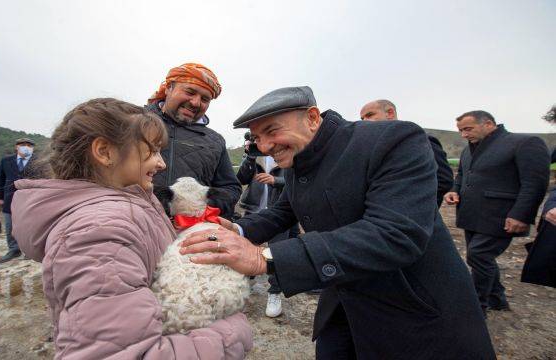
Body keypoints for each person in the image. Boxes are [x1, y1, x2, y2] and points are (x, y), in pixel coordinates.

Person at [180, 86, 495, 359]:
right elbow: (283, 211)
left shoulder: (393, 140)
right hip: (343, 304)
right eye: (258, 138)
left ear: (313, 117)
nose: (264, 147)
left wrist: (264, 257)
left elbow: (395, 233)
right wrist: (235, 228)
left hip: (411, 307)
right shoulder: (298, 160)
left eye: (272, 131)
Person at [11, 98, 251, 358]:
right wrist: (231, 331)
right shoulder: (99, 232)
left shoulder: (131, 203)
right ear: (105, 152)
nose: (162, 164)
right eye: (152, 150)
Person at [444, 110, 550, 313]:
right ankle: (497, 300)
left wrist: (521, 215)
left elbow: (535, 183)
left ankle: (476, 306)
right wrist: (453, 191)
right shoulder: (469, 150)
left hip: (501, 215)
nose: (464, 135)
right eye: (460, 131)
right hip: (471, 214)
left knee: (478, 255)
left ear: (489, 124)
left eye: (468, 129)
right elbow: (462, 176)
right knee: (482, 258)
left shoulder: (524, 143)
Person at [146, 63, 241, 219]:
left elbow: (231, 189)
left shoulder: (215, 141)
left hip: (189, 234)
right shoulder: (134, 123)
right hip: (131, 225)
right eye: (190, 92)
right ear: (169, 88)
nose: (196, 102)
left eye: (205, 99)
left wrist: (196, 207)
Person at [236, 137, 299, 317]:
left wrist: (275, 181)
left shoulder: (290, 153)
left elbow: (299, 182)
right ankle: (245, 283)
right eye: (256, 138)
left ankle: (274, 293)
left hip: (279, 212)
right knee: (247, 249)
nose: (263, 142)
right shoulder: (255, 156)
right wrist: (249, 157)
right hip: (254, 210)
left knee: (276, 253)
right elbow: (241, 178)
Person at [360, 99, 453, 206]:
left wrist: (413, 204)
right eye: (362, 118)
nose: (365, 121)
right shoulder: (377, 148)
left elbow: (444, 180)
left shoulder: (420, 141)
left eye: (370, 115)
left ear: (390, 113)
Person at [0, 138, 37, 263]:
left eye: (29, 145)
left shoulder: (39, 161)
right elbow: (0, 180)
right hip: (10, 198)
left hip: (31, 198)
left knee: (30, 225)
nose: (26, 147)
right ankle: (14, 249)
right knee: (10, 226)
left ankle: (29, 250)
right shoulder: (6, 160)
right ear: (16, 147)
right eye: (23, 145)